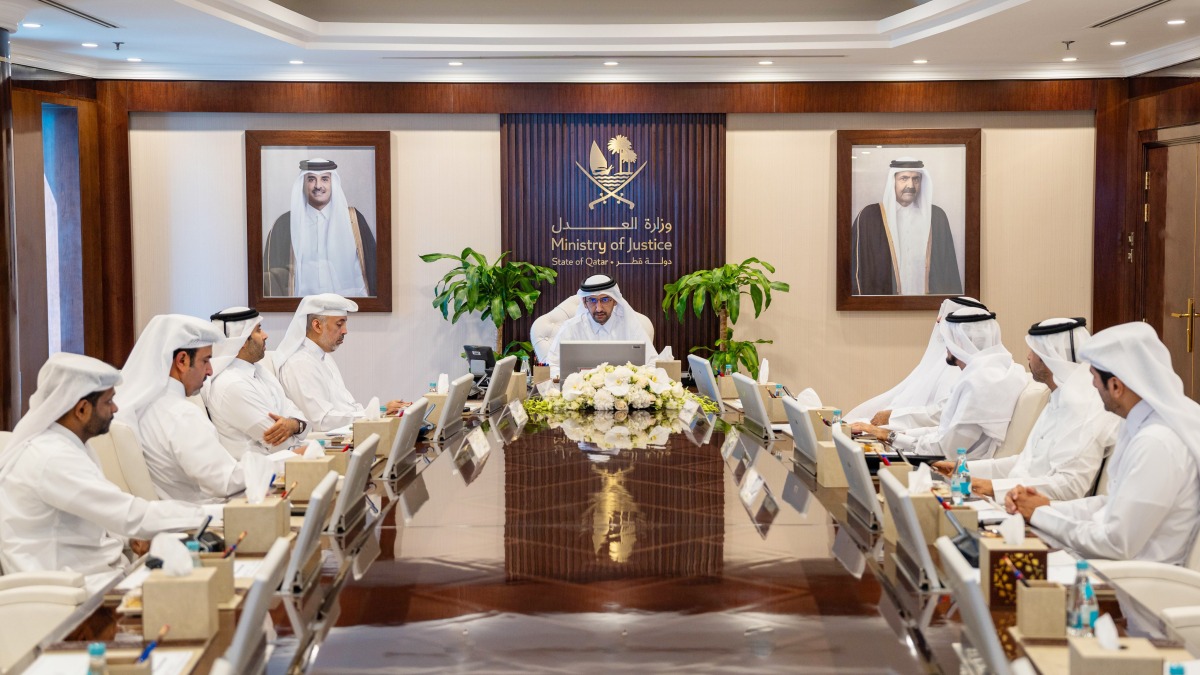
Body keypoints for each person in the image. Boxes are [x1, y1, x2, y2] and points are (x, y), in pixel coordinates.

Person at [0, 353, 211, 590]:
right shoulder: (52, 458)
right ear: (81, 409)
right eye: (108, 401)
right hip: (74, 594)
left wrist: (130, 539)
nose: (116, 408)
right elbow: (130, 515)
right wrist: (208, 516)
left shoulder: (70, 446)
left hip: (100, 577)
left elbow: (95, 516)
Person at [1007, 323, 1200, 564]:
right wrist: (1045, 507)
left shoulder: (1157, 443)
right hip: (1113, 566)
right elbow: (1111, 504)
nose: (1092, 386)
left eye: (1095, 378)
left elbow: (1115, 543)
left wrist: (1040, 514)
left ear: (1117, 386)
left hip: (1132, 583)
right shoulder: (1141, 426)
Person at [931, 318, 1117, 502]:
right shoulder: (1058, 397)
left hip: (1044, 515)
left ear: (1048, 356)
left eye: (1033, 351)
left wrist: (993, 488)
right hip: (1015, 501)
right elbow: (1025, 463)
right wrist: (962, 469)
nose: (1028, 357)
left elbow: (1069, 487)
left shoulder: (1084, 407)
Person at [851, 307, 1029, 460]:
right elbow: (945, 431)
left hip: (955, 470)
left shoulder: (981, 382)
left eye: (948, 338)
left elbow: (946, 448)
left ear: (959, 341)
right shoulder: (999, 369)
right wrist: (890, 433)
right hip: (946, 456)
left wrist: (888, 435)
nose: (946, 346)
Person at [115, 314, 246, 502]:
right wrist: (283, 465)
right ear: (182, 360)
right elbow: (226, 482)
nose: (210, 371)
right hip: (205, 519)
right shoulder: (180, 414)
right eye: (205, 360)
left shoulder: (143, 406)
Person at [846, 295, 987, 425]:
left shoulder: (963, 369)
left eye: (945, 315)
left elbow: (942, 416)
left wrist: (892, 419)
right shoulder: (942, 362)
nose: (938, 320)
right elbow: (908, 399)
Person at [275, 294, 406, 432]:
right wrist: (375, 415)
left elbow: (348, 407)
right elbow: (322, 421)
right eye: (339, 324)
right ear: (317, 325)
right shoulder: (299, 364)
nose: (345, 331)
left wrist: (382, 410)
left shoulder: (323, 357)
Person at [205, 307, 310, 458]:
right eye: (258, 330)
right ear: (241, 341)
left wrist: (294, 425)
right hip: (259, 474)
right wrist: (296, 427)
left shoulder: (259, 372)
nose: (265, 335)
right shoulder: (231, 384)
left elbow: (300, 420)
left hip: (283, 461)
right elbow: (278, 443)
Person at [263, 158, 377, 298]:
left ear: (333, 182)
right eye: (311, 179)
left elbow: (373, 271)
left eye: (324, 179)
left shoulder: (354, 220)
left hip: (347, 309)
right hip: (299, 310)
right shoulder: (284, 225)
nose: (318, 186)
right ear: (303, 184)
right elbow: (272, 279)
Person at [850, 157, 962, 295]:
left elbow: (948, 268)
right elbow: (855, 269)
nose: (911, 185)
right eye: (904, 178)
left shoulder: (937, 216)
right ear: (893, 182)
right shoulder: (869, 217)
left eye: (916, 179)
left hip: (927, 307)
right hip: (884, 309)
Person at [547, 275, 658, 379]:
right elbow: (552, 365)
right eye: (592, 300)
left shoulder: (630, 326)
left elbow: (652, 364)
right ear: (584, 303)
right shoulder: (571, 328)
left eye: (605, 300)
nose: (599, 308)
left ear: (614, 301)